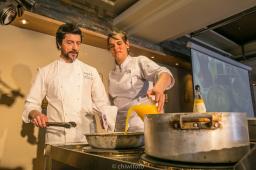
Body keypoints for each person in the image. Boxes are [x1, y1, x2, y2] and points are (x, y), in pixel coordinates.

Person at [22, 23, 117, 145]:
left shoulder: (91, 72)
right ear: (59, 43)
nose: (75, 48)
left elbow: (103, 104)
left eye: (78, 43)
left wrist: (106, 117)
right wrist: (35, 114)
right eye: (70, 42)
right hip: (57, 140)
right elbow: (31, 104)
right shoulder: (45, 72)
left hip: (86, 139)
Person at [107, 31, 175, 132]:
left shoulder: (139, 62)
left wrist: (159, 88)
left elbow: (164, 73)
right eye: (112, 46)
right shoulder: (111, 75)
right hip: (120, 129)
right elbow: (112, 103)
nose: (116, 48)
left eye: (119, 43)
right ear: (110, 50)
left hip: (141, 128)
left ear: (127, 44)